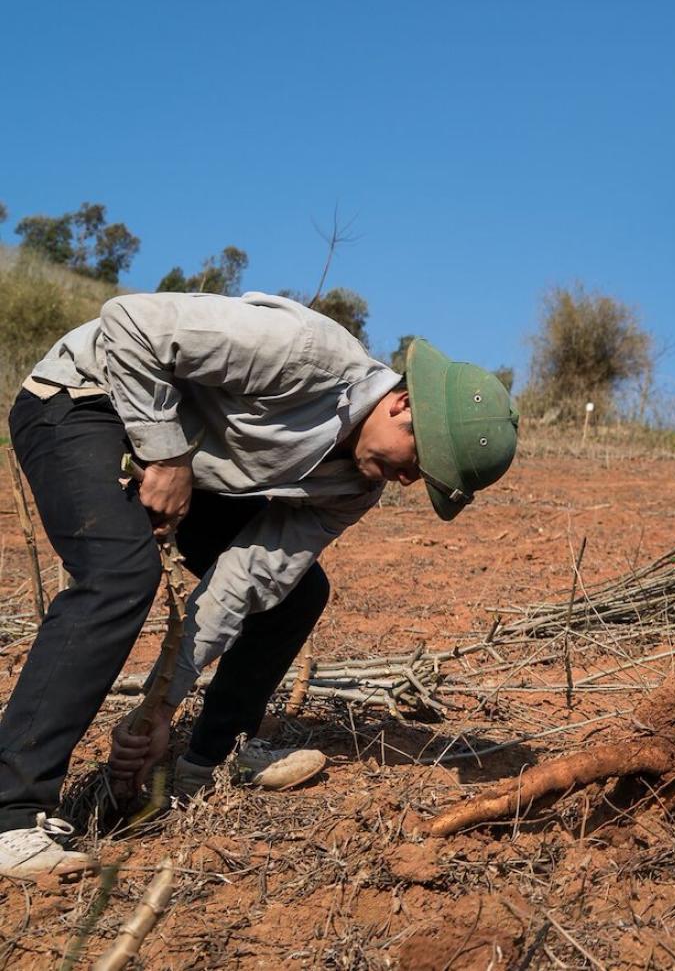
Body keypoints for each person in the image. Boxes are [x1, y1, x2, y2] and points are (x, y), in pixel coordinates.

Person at [0, 292, 518, 880]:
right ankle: (11, 814)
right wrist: (165, 456)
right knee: (121, 573)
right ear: (401, 404)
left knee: (295, 590)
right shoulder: (303, 353)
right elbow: (130, 323)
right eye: (416, 463)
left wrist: (161, 705)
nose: (405, 482)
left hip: (183, 465)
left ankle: (202, 761)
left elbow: (248, 577)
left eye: (423, 481)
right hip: (84, 402)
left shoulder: (353, 489)